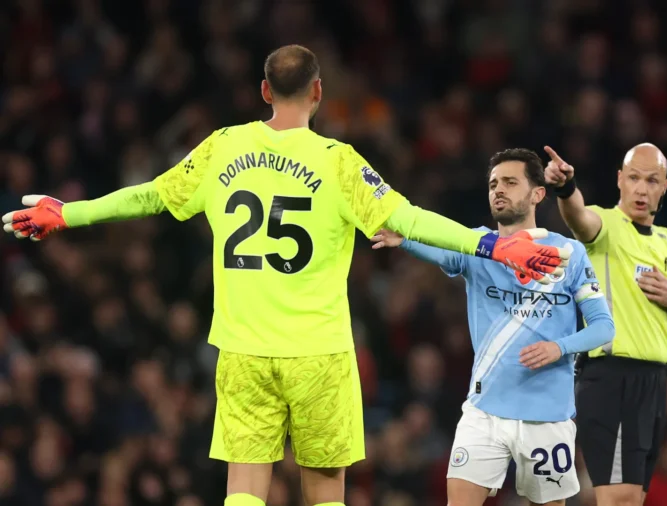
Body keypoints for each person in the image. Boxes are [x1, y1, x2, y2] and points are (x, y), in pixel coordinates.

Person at [1, 46, 568, 506]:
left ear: (265, 92)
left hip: (244, 349)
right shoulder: (339, 162)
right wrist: (493, 244)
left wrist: (68, 212)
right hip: (319, 352)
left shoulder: (224, 147)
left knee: (244, 489)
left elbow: (148, 196)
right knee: (325, 491)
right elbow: (410, 219)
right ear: (319, 92)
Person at [370, 148, 615, 506]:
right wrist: (403, 240)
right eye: (493, 184)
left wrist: (558, 346)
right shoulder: (477, 246)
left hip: (548, 417)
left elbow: (604, 328)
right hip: (484, 411)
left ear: (537, 193)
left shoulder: (568, 254)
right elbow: (437, 249)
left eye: (510, 182)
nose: (498, 190)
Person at [544, 143, 667, 506]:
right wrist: (565, 187)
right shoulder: (606, 225)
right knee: (619, 500)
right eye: (634, 179)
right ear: (620, 181)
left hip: (653, 384)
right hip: (612, 379)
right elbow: (578, 216)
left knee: (633, 499)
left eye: (652, 181)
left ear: (665, 187)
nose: (642, 189)